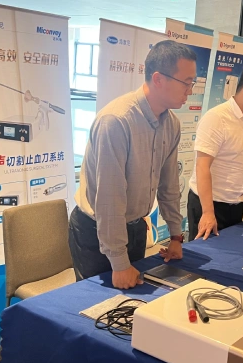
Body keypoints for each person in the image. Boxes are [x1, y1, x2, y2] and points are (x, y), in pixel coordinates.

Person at [69, 40, 197, 289]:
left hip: (135, 226)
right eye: (186, 82)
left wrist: (175, 235)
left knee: (134, 302)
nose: (189, 91)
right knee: (98, 307)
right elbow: (109, 198)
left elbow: (169, 184)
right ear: (158, 79)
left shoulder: (171, 124)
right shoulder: (116, 121)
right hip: (96, 230)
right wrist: (119, 263)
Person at [187, 63, 243, 241]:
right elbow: (202, 166)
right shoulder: (217, 118)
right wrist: (208, 213)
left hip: (236, 205)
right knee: (202, 257)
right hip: (208, 204)